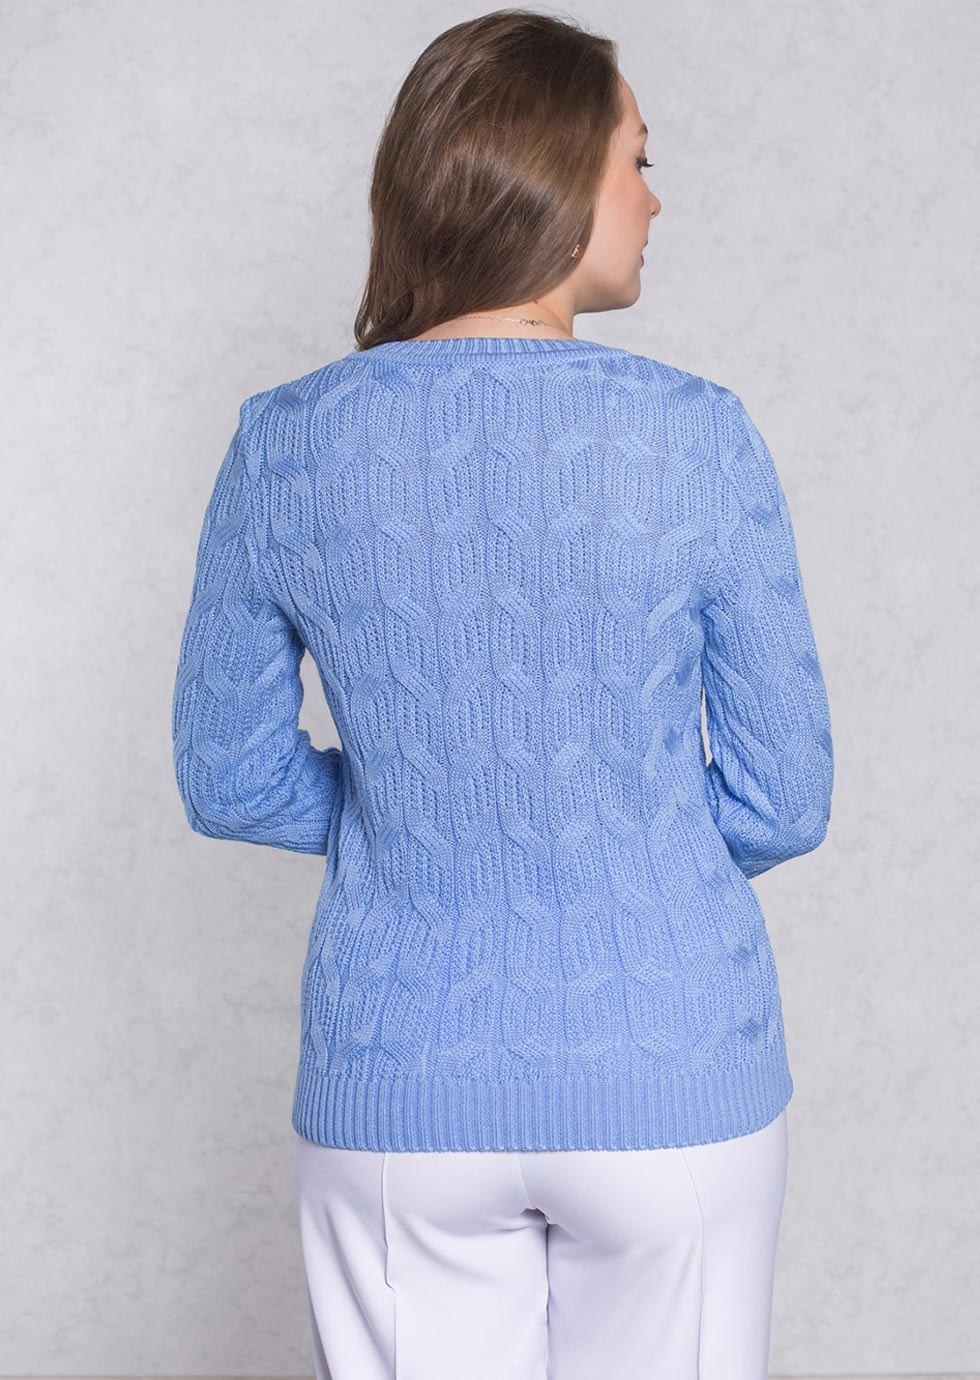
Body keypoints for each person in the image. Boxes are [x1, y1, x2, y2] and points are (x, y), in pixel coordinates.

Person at [170, 9, 834, 1379]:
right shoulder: (695, 436)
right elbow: (786, 798)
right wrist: (617, 830)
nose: (654, 199)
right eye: (637, 159)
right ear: (555, 170)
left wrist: (418, 813)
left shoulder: (285, 443)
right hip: (669, 1076)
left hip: (398, 1090)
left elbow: (228, 777)